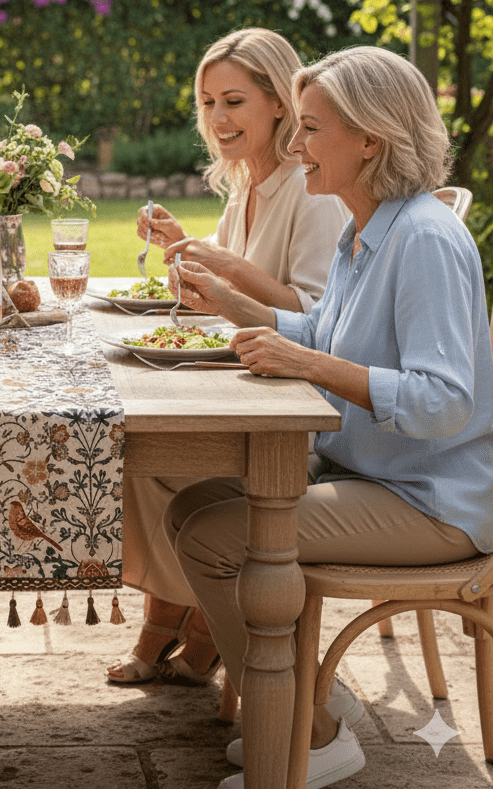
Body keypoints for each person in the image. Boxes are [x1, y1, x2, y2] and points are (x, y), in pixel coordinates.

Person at [167, 46, 493, 789]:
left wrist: (308, 364)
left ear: (370, 140)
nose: (294, 147)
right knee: (191, 506)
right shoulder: (365, 227)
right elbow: (320, 330)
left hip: (434, 503)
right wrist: (231, 303)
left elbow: (444, 400)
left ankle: (311, 732)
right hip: (369, 473)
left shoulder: (423, 239)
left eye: (310, 129)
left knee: (218, 537)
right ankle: (302, 705)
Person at [109, 29, 350, 687]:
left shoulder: (312, 190)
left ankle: (189, 624)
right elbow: (224, 287)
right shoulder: (247, 183)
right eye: (208, 102)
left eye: (234, 101)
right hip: (248, 382)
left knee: (150, 454)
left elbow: (319, 317)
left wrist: (223, 267)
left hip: (298, 415)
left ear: (279, 102)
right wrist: (186, 247)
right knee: (133, 442)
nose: (217, 118)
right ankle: (185, 619)